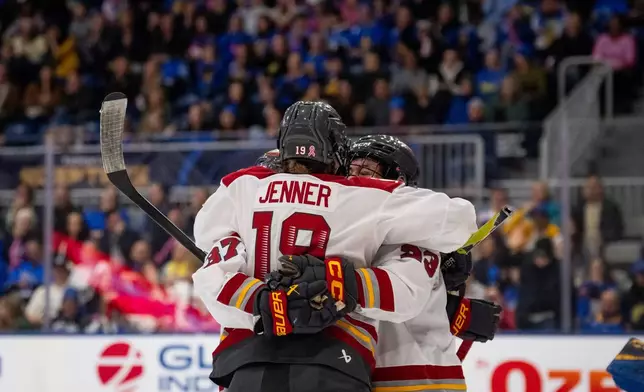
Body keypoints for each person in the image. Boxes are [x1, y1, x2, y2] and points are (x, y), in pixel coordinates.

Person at [192, 101, 478, 392]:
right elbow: (459, 222)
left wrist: (263, 299)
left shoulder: (241, 186)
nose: (359, 172)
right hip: (341, 361)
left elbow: (206, 246)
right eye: (356, 165)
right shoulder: (365, 197)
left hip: (249, 360)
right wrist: (339, 281)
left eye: (368, 167)